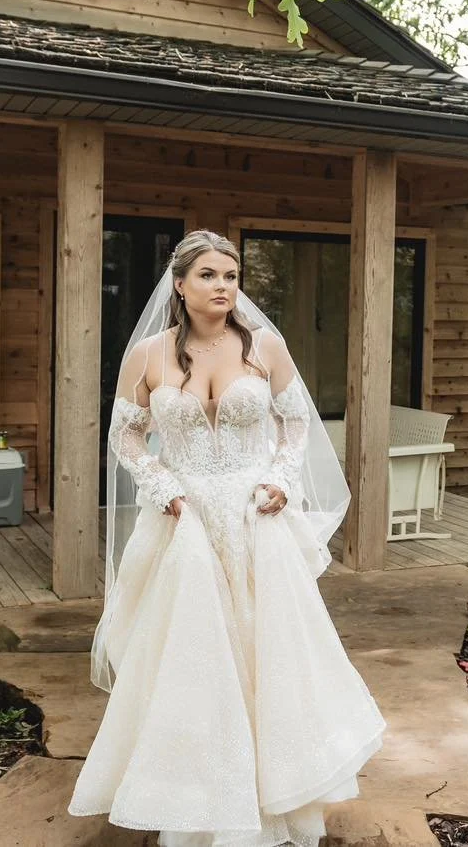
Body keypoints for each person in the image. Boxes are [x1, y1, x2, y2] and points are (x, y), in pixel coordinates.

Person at [68, 231, 385, 846]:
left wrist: (281, 479)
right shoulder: (150, 356)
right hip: (185, 522)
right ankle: (197, 795)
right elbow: (126, 437)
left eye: (231, 276)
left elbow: (296, 424)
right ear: (180, 285)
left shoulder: (264, 345)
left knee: (269, 654)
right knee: (191, 658)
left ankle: (277, 797)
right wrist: (162, 488)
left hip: (253, 519)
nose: (222, 287)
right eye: (209, 276)